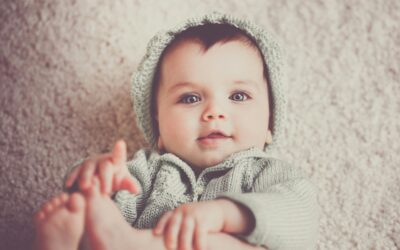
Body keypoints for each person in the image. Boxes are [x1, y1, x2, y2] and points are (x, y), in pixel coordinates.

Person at [33, 12, 319, 250]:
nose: (214, 112)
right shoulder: (145, 173)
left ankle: (128, 242)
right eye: (190, 98)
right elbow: (112, 207)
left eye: (238, 96)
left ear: (269, 124)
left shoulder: (266, 174)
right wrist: (98, 179)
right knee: (94, 207)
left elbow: (301, 220)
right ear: (158, 127)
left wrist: (224, 214)